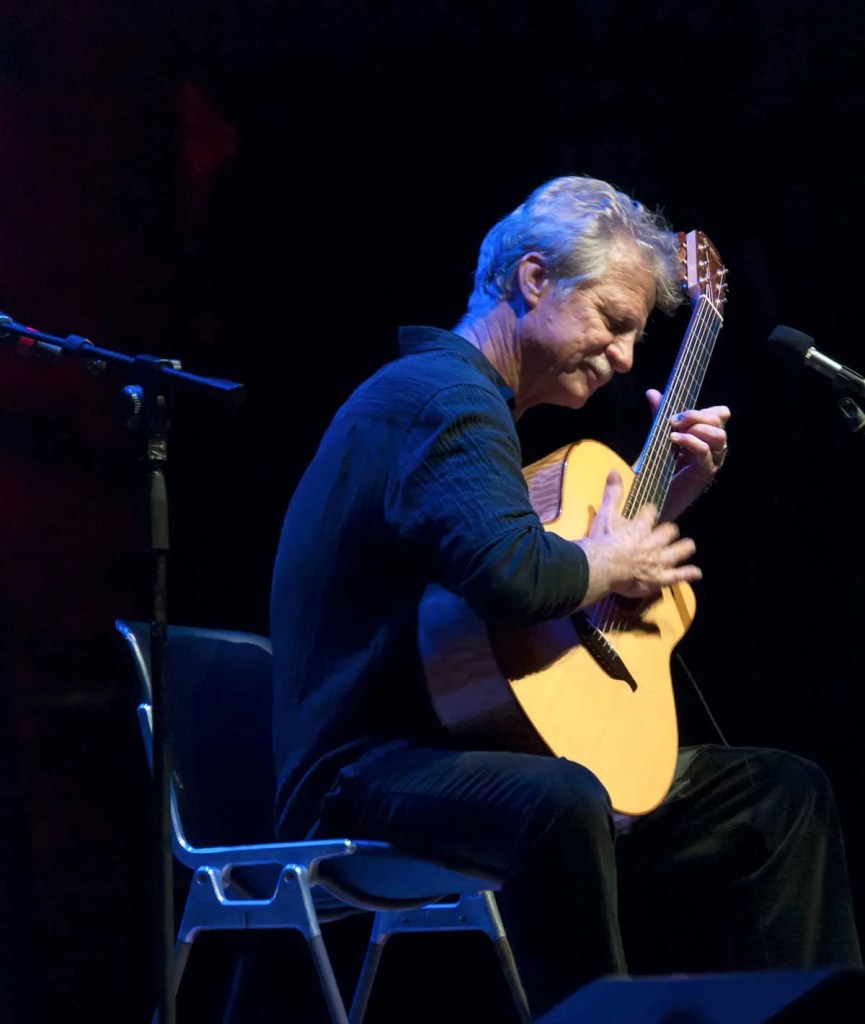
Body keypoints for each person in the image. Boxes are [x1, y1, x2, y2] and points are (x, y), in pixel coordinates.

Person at [270, 175, 862, 1018]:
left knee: (776, 796)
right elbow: (514, 579)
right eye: (612, 322)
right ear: (534, 280)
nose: (624, 355)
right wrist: (608, 559)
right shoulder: (441, 400)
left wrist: (667, 504)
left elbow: (534, 609)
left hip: (459, 746)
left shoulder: (472, 414)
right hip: (363, 772)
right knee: (562, 800)